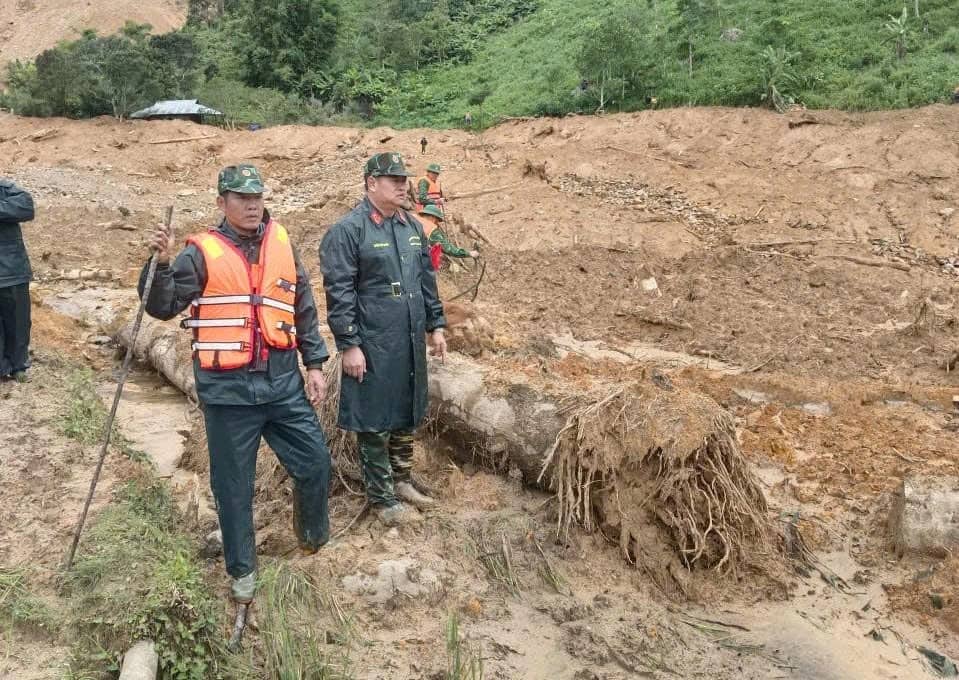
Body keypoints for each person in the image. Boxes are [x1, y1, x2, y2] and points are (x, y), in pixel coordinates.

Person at [141, 164, 332, 605]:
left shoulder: (282, 243)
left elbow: (301, 306)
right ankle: (242, 570)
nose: (251, 205)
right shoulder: (201, 252)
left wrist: (316, 364)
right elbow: (163, 305)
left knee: (315, 463)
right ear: (222, 202)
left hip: (283, 384)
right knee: (233, 487)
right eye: (241, 198)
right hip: (229, 394)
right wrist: (160, 263)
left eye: (257, 197)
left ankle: (312, 538)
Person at [320, 152, 447, 525]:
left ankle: (402, 479)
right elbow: (339, 293)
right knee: (374, 419)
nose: (402, 185)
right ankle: (382, 499)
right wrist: (349, 345)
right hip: (373, 342)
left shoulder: (410, 228)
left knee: (408, 408)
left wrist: (436, 326)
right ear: (371, 183)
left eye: (404, 178)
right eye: (393, 179)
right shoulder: (348, 231)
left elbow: (426, 281)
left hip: (408, 338)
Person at [0, 179, 35, 383]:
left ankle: (18, 367)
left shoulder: (5, 189)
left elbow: (26, 207)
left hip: (12, 270)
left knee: (18, 322)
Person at [417, 204, 478, 269]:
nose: (436, 222)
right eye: (437, 220)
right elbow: (449, 249)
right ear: (433, 217)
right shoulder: (431, 229)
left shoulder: (413, 219)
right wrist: (469, 253)